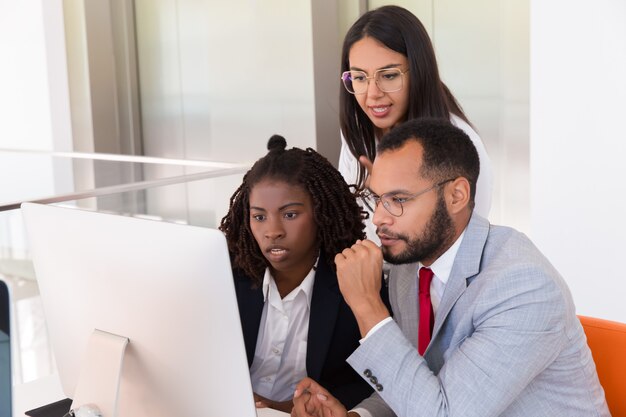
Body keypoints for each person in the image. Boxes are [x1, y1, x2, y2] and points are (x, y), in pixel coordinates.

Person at [292, 119, 609, 417]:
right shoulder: (411, 264)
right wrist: (359, 415)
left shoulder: (523, 286)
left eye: (398, 199)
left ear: (456, 195)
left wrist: (367, 307)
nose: (378, 219)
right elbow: (416, 381)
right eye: (378, 199)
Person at [219, 135, 389, 414]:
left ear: (321, 213)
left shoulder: (354, 281)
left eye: (289, 215)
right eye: (259, 217)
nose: (272, 231)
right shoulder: (224, 274)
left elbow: (370, 380)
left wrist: (287, 408)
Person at [338, 5, 493, 242]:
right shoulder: (359, 130)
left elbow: (464, 247)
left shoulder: (461, 144)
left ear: (419, 72)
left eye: (389, 76)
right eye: (359, 78)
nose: (372, 94)